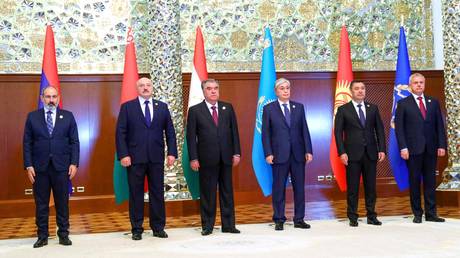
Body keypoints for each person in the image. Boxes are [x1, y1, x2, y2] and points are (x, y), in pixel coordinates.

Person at [116, 77, 177, 240]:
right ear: (137, 88)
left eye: (148, 85)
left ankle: (158, 227)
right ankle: (136, 228)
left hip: (156, 158)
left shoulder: (162, 107)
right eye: (142, 85)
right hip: (134, 158)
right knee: (136, 194)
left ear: (152, 88)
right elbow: (120, 133)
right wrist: (123, 154)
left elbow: (170, 132)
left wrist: (172, 153)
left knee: (157, 192)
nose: (145, 88)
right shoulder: (128, 107)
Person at [23, 86, 80, 248]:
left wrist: (74, 163)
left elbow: (74, 142)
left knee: (62, 202)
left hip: (62, 167)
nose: (51, 100)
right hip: (39, 168)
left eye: (54, 96)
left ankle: (63, 234)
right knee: (41, 204)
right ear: (42, 98)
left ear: (59, 98)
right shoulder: (32, 117)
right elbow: (27, 143)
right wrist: (28, 165)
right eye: (47, 97)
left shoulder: (68, 116)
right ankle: (42, 236)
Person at [186, 79, 241, 236]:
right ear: (203, 91)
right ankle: (208, 225)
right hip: (206, 159)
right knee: (208, 193)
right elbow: (191, 138)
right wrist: (193, 158)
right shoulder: (195, 111)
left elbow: (234, 133)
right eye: (209, 88)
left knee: (227, 192)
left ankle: (229, 225)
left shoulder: (227, 108)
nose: (213, 91)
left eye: (216, 88)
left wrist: (236, 152)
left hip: (226, 158)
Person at [262, 77, 313, 231]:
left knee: (299, 188)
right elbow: (265, 133)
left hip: (298, 154)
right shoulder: (269, 108)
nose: (285, 91)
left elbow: (305, 129)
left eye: (287, 88)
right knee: (278, 188)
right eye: (282, 88)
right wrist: (268, 153)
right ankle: (279, 219)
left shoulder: (299, 107)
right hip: (278, 155)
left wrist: (308, 150)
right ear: (276, 91)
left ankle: (299, 219)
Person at [395, 73, 447, 223]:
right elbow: (400, 129)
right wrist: (403, 147)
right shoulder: (403, 104)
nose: (419, 85)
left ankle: (431, 214)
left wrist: (441, 145)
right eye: (416, 83)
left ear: (424, 84)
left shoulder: (433, 102)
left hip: (431, 149)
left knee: (430, 182)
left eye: (421, 82)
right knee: (415, 182)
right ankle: (417, 213)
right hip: (412, 150)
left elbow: (439, 125)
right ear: (410, 85)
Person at [334, 80, 386, 227]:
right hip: (351, 155)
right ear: (351, 91)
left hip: (371, 153)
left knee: (371, 187)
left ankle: (371, 215)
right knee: (353, 187)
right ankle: (352, 216)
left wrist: (382, 149)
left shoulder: (373, 108)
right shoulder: (343, 110)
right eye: (357, 89)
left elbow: (380, 130)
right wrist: (342, 152)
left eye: (362, 88)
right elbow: (338, 133)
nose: (360, 91)